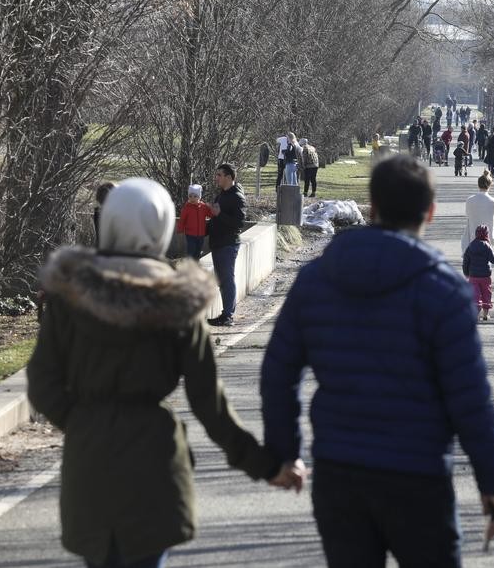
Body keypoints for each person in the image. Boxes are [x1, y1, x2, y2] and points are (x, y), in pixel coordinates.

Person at [28, 178, 295, 568]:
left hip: (88, 461)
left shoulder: (70, 297)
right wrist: (267, 466)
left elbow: (42, 383)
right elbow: (209, 405)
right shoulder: (178, 303)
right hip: (154, 460)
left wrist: (85, 421)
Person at [261, 155, 494, 565]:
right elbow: (468, 398)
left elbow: (278, 372)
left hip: (339, 473)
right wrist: (493, 480)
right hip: (418, 476)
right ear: (430, 213)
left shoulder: (317, 280)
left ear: (372, 208)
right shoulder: (444, 291)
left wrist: (285, 452)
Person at [207, 163, 246, 327]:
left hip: (228, 244)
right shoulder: (221, 195)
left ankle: (228, 316)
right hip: (218, 243)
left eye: (219, 175)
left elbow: (239, 223)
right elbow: (216, 219)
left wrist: (219, 214)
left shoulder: (237, 197)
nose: (216, 178)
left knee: (227, 280)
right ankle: (226, 314)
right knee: (222, 280)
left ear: (229, 177)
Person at [463, 225, 494, 322]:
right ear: (486, 234)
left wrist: (466, 273)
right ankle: (485, 314)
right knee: (486, 294)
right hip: (485, 276)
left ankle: (476, 315)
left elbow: (466, 262)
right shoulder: (487, 246)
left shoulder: (470, 246)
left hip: (473, 276)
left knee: (475, 295)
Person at [462, 172, 494, 254]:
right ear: (490, 185)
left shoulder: (470, 200)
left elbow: (468, 215)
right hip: (488, 237)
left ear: (478, 185)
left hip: (472, 236)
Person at [175, 183, 213, 259]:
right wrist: (180, 231)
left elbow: (211, 215)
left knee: (198, 251)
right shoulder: (186, 208)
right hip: (190, 235)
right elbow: (182, 220)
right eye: (190, 196)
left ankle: (196, 265)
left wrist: (211, 208)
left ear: (199, 197)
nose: (192, 198)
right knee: (191, 251)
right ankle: (190, 266)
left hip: (201, 234)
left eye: (195, 196)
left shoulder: (203, 207)